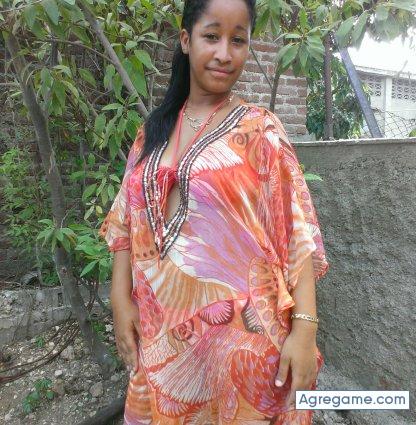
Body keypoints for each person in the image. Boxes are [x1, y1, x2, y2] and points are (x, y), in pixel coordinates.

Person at [98, 0, 329, 423]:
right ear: (186, 40)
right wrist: (119, 297)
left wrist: (305, 328)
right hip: (161, 343)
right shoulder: (151, 132)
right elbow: (125, 221)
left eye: (238, 40)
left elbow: (297, 235)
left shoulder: (260, 130)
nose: (225, 53)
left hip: (241, 348)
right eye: (211, 36)